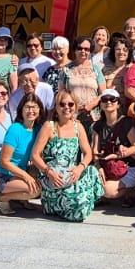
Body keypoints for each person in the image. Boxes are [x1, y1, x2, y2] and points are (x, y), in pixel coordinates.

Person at [34, 93, 100, 221]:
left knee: (92, 172)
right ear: (57, 107)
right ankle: (61, 204)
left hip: (71, 174)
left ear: (75, 107)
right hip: (53, 178)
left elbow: (88, 153)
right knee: (79, 205)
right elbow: (35, 155)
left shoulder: (78, 127)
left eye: (70, 104)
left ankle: (77, 201)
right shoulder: (49, 126)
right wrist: (49, 172)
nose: (66, 107)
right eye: (62, 104)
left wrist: (79, 168)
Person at [0, 93, 46, 213]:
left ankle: (21, 199)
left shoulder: (38, 130)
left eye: (34, 107)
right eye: (27, 107)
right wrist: (26, 177)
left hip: (22, 170)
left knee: (45, 182)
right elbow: (4, 162)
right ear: (21, 110)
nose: (31, 110)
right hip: (4, 174)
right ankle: (2, 197)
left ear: (39, 110)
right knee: (35, 190)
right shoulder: (15, 129)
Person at [90, 89, 135, 205]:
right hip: (107, 166)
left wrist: (121, 153)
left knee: (107, 191)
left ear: (118, 104)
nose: (108, 102)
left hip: (126, 166)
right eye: (104, 100)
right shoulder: (98, 126)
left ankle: (132, 190)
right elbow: (95, 150)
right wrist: (98, 167)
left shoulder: (126, 122)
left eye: (113, 100)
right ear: (100, 104)